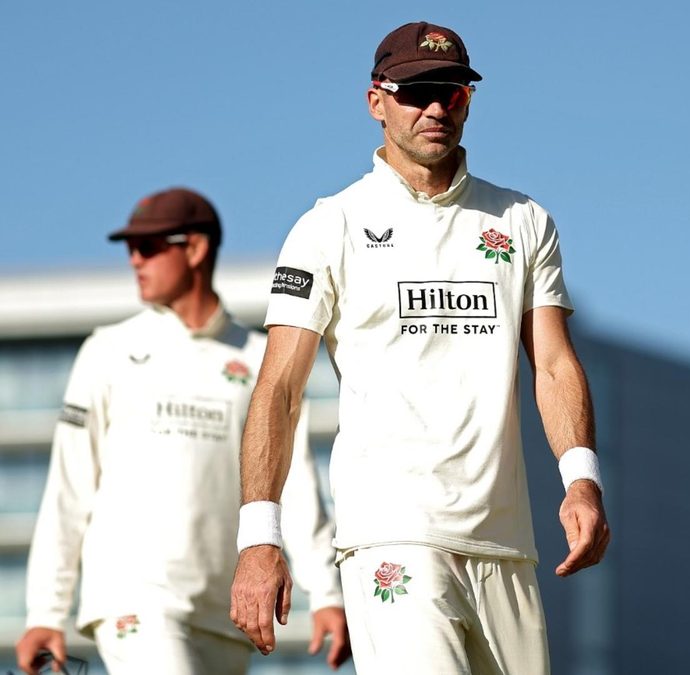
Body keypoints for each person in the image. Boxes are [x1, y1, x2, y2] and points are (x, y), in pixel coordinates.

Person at [228, 21, 610, 675]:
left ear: (469, 100)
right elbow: (279, 389)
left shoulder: (522, 220)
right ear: (376, 101)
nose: (436, 108)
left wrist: (582, 481)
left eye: (452, 92)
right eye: (416, 92)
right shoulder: (330, 226)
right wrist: (259, 540)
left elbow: (552, 362)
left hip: (507, 545)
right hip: (392, 535)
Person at [15, 188, 351, 675]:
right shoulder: (108, 351)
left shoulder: (259, 355)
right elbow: (69, 489)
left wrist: (325, 592)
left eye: (149, 247)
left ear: (194, 249)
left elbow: (293, 481)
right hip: (134, 602)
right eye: (131, 248)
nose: (134, 260)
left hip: (226, 613)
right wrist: (45, 612)